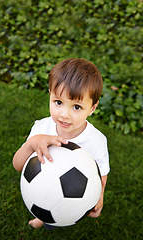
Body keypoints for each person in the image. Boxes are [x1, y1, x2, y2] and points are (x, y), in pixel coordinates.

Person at [13, 58, 110, 229]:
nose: (64, 115)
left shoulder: (97, 141)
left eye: (77, 107)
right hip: (43, 188)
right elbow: (18, 166)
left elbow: (101, 174)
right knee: (46, 205)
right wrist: (31, 144)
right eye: (58, 102)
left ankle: (48, 221)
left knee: (59, 214)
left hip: (73, 196)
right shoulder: (41, 128)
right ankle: (42, 216)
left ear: (92, 108)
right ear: (50, 94)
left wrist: (99, 195)